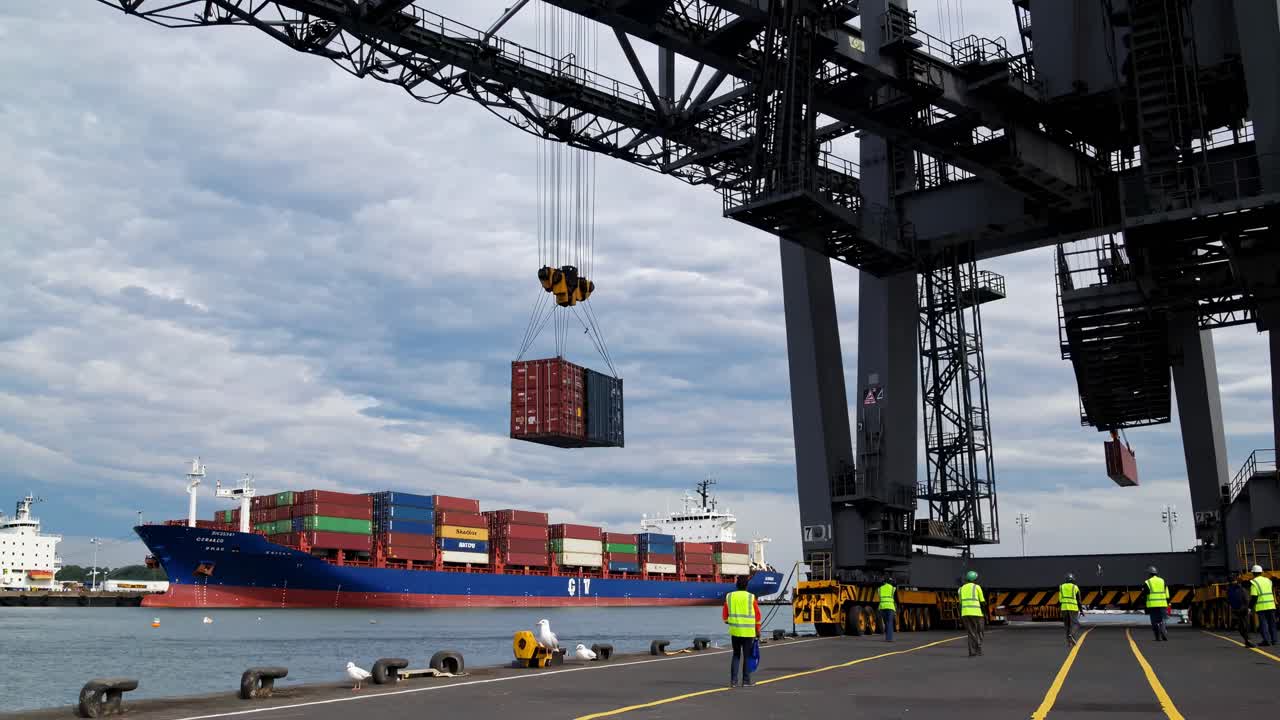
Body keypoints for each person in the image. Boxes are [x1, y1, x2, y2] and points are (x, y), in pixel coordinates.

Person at [722, 575, 761, 687]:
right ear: (747, 585)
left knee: (736, 655)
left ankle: (733, 682)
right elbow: (757, 616)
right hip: (748, 632)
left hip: (735, 631)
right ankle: (746, 681)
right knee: (747, 656)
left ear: (736, 585)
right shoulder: (751, 597)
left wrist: (729, 621)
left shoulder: (729, 596)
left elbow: (725, 616)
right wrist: (757, 630)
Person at [1137, 566, 1170, 641]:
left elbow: (1144, 595)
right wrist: (1167, 602)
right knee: (1163, 619)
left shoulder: (1147, 582)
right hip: (1162, 604)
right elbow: (1167, 593)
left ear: (1149, 574)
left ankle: (1157, 637)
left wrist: (1144, 604)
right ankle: (1163, 631)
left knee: (1154, 621)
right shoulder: (1162, 581)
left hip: (1152, 605)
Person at [959, 570, 985, 657]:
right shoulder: (977, 587)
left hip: (965, 613)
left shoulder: (961, 589)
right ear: (974, 579)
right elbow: (982, 602)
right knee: (979, 631)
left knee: (970, 633)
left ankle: (972, 652)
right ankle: (979, 648)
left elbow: (960, 603)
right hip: (976, 613)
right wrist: (983, 613)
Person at [1250, 564, 1276, 647]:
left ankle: (1266, 640)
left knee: (1263, 624)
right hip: (1271, 605)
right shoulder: (1268, 581)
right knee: (1272, 623)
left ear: (1253, 573)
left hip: (1261, 607)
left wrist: (1249, 608)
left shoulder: (1254, 583)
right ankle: (1274, 640)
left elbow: (1254, 597)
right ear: (1261, 572)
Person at [1227, 578, 1254, 648]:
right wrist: (1248, 608)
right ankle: (1248, 640)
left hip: (1237, 610)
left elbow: (1229, 600)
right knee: (1245, 625)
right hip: (1242, 609)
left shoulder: (1230, 590)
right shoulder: (1242, 590)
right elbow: (1246, 599)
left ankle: (1247, 640)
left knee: (1242, 626)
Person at [1059, 573, 1082, 646]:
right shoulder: (1075, 587)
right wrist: (1081, 610)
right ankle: (1071, 635)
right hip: (1073, 608)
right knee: (1075, 624)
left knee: (1067, 625)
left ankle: (1069, 642)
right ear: (1073, 580)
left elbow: (1060, 599)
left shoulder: (1061, 587)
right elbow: (1079, 600)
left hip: (1064, 608)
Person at [878, 576, 898, 642]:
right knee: (890, 622)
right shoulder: (892, 588)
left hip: (882, 607)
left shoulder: (880, 589)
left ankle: (887, 637)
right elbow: (895, 587)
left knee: (886, 622)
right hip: (890, 607)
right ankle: (889, 638)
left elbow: (879, 596)